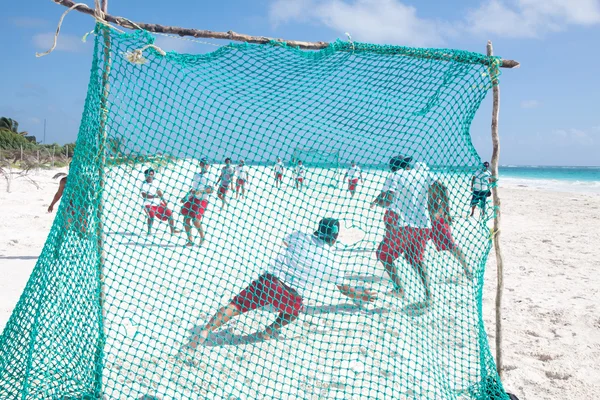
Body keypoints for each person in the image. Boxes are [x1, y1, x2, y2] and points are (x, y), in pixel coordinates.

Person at [182, 218, 376, 349]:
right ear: (334, 237)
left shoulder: (299, 235)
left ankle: (206, 330)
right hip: (290, 295)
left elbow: (286, 243)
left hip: (268, 281)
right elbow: (344, 289)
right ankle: (268, 331)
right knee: (293, 313)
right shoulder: (332, 261)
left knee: (236, 306)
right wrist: (360, 294)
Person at [370, 156, 443, 307]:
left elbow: (388, 200)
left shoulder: (394, 176)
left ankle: (399, 289)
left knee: (383, 255)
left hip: (405, 226)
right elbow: (442, 187)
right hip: (424, 227)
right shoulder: (422, 174)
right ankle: (429, 295)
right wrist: (442, 209)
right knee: (415, 260)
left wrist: (378, 203)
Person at [413, 162, 472, 280]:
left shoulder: (430, 180)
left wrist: (445, 212)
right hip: (421, 220)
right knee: (413, 248)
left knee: (450, 245)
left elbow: (444, 189)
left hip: (435, 220)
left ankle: (467, 269)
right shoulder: (415, 182)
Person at [181, 158, 213, 246]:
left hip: (202, 200)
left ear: (208, 165)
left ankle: (202, 237)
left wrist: (201, 192)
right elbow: (193, 189)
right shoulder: (196, 175)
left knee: (195, 220)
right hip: (193, 198)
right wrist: (186, 196)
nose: (204, 165)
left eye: (206, 164)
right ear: (200, 164)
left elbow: (211, 190)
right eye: (203, 163)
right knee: (186, 219)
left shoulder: (209, 176)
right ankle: (190, 240)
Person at [140, 168, 180, 236]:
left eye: (152, 175)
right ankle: (149, 231)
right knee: (151, 216)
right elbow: (144, 195)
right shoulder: (143, 184)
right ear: (145, 175)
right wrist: (154, 197)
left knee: (169, 213)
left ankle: (172, 230)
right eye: (149, 175)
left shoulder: (155, 182)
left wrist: (164, 201)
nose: (150, 176)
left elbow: (159, 192)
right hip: (148, 204)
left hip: (157, 204)